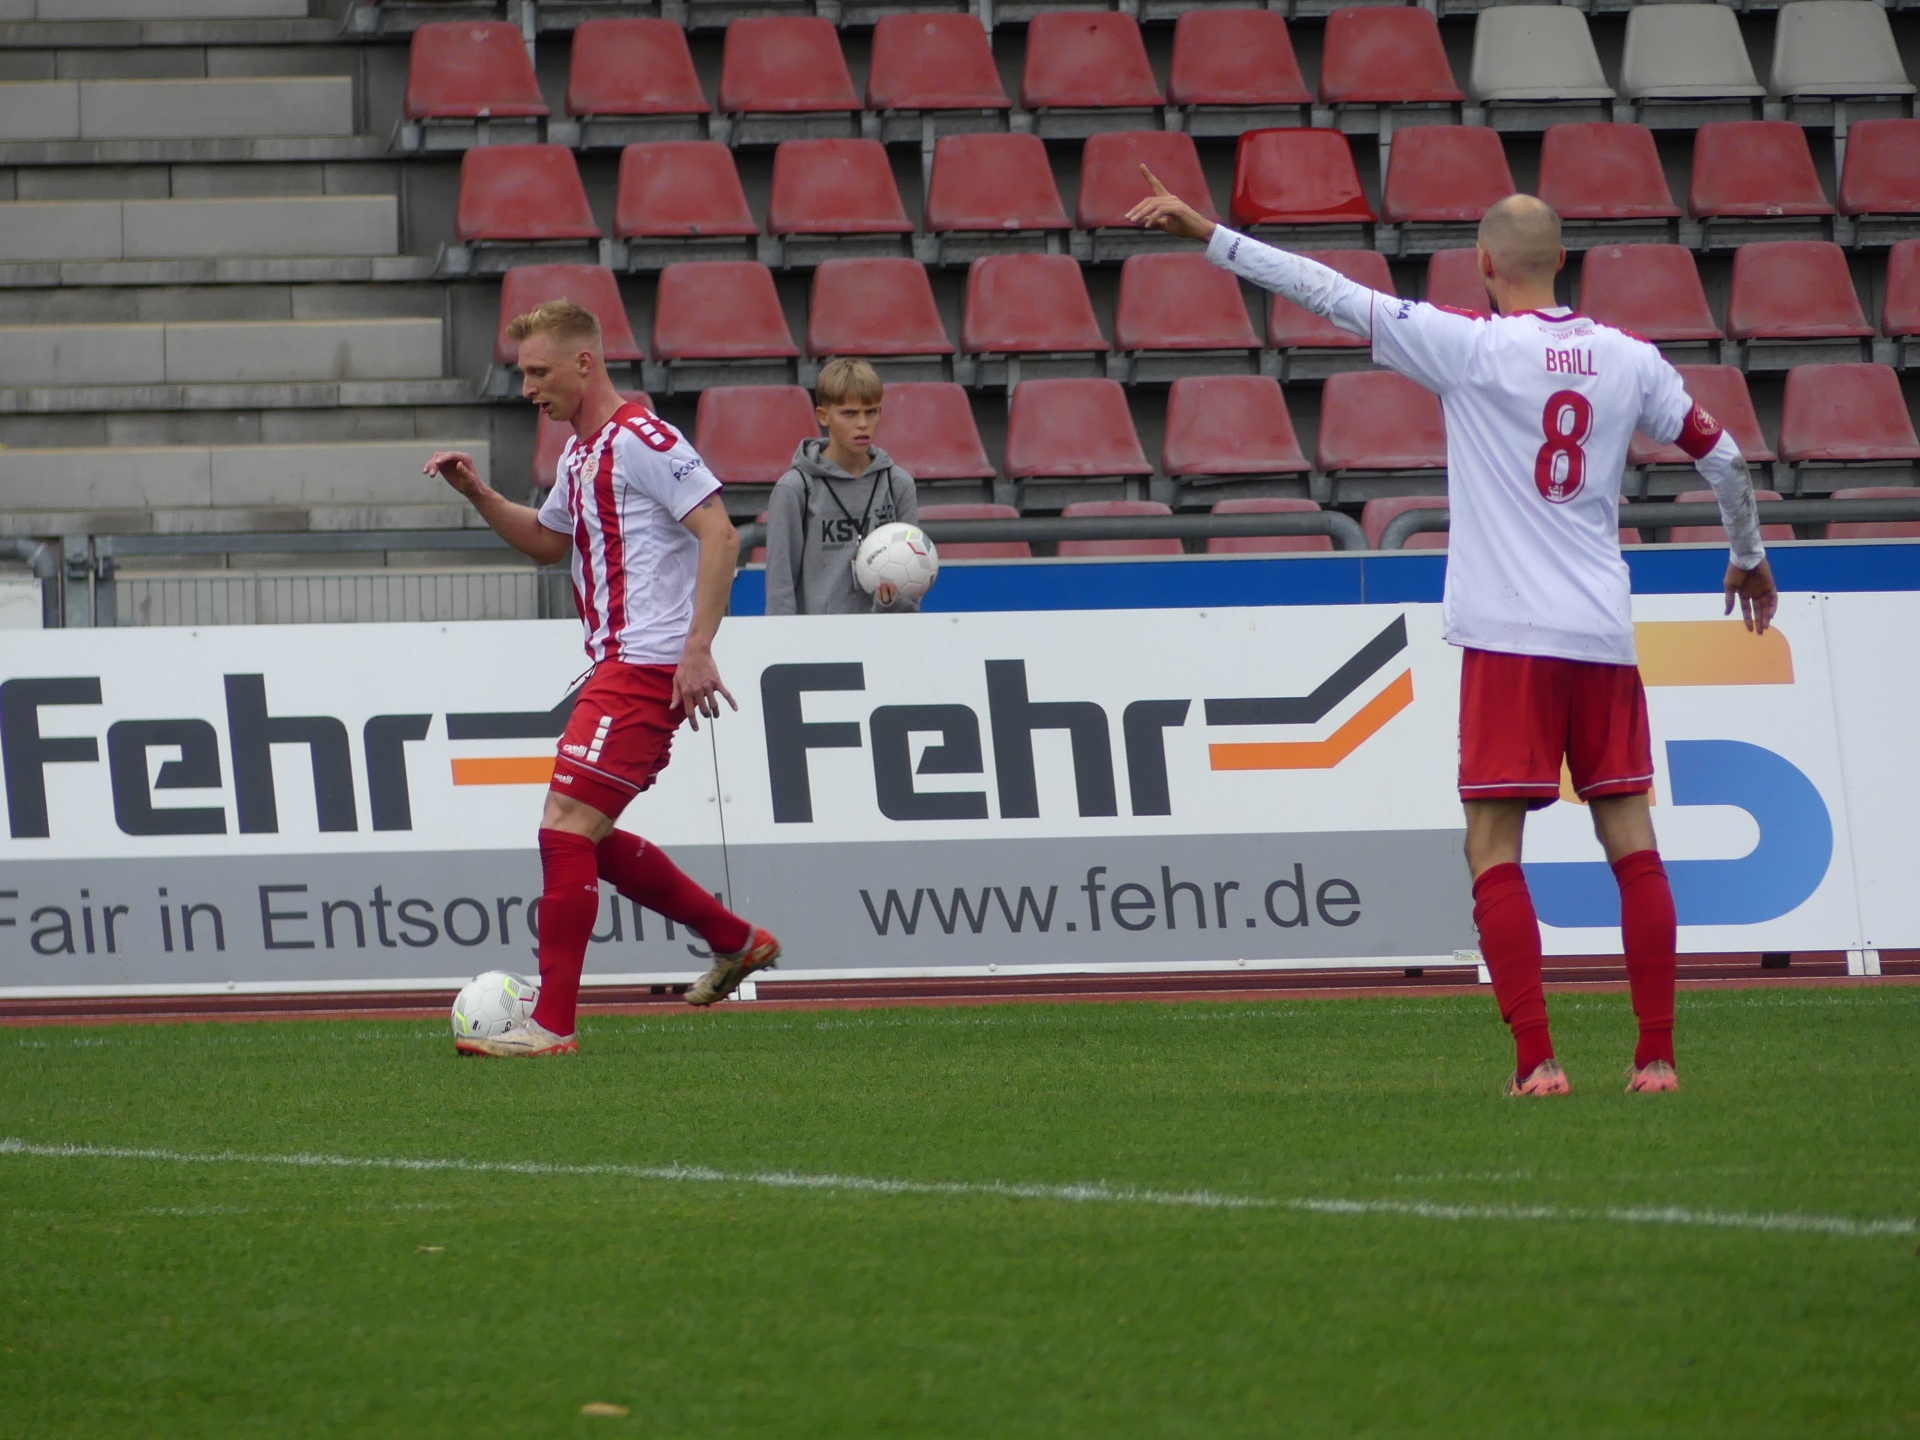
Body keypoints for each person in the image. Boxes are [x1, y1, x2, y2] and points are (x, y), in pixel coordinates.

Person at [1128, 173, 1778, 1097]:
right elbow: (1724, 456)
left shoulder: (1468, 347)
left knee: (1492, 848)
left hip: (1508, 638)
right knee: (1632, 841)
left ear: (1483, 264)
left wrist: (1209, 233)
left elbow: (1329, 291)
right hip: (1600, 634)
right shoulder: (1631, 359)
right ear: (1562, 260)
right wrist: (1748, 554)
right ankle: (1657, 1058)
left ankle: (1537, 1063)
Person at [425, 299, 780, 1056]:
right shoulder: (580, 456)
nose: (528, 388)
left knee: (563, 828)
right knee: (590, 834)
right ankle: (734, 938)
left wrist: (697, 648)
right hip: (614, 666)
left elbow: (721, 535)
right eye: (524, 373)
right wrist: (478, 493)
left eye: (538, 371)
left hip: (646, 666)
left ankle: (552, 1025)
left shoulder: (645, 440)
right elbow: (548, 541)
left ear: (584, 363)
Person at [765, 357, 920, 615]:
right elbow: (780, 586)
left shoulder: (898, 484)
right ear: (823, 416)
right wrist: (785, 637)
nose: (863, 424)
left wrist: (892, 603)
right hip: (819, 636)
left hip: (885, 633)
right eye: (849, 413)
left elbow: (912, 579)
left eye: (871, 412)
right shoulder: (795, 488)